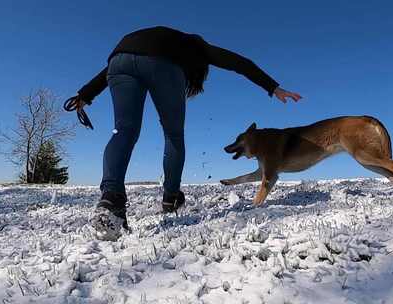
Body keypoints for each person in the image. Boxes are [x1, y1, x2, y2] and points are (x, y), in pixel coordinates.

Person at [73, 26, 302, 240]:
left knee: (123, 130)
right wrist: (273, 87)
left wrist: (85, 94)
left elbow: (125, 59)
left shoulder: (154, 40)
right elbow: (238, 62)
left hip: (119, 58)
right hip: (163, 64)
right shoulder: (196, 45)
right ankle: (171, 197)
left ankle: (111, 198)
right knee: (173, 135)